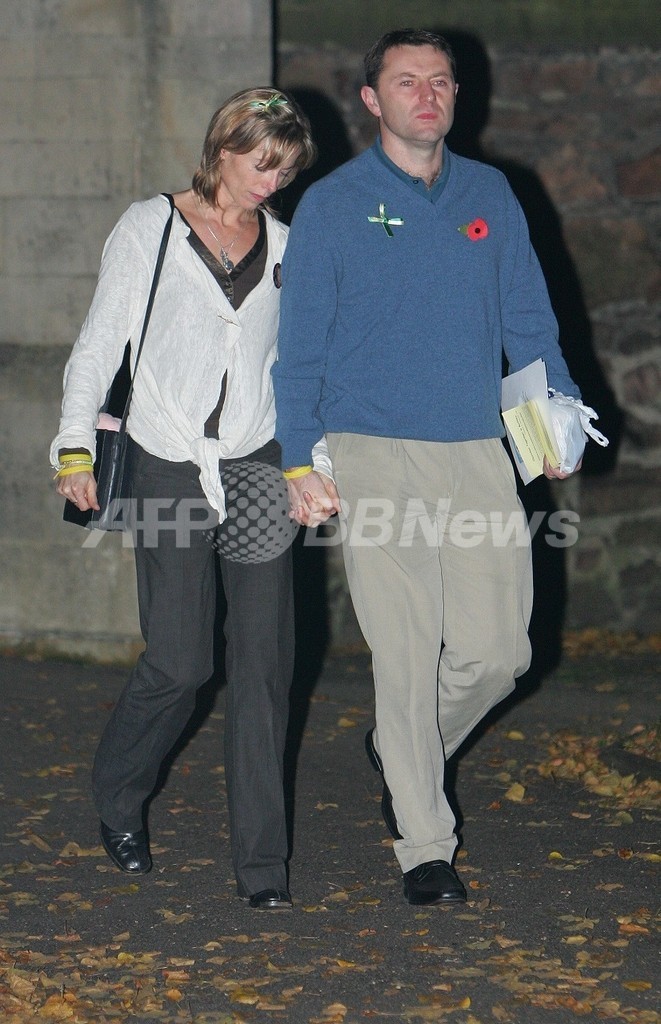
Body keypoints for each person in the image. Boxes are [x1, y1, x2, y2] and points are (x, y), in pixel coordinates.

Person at [272, 29, 583, 907]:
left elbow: (528, 318)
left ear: (456, 96)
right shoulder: (333, 204)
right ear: (372, 99)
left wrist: (555, 409)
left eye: (440, 81)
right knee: (405, 650)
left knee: (500, 653)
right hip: (372, 448)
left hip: (478, 446)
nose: (427, 94)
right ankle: (423, 846)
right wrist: (298, 458)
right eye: (406, 81)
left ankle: (400, 749)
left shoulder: (491, 194)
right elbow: (299, 348)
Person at [50, 88, 324, 911]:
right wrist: (72, 445)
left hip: (256, 464)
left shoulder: (287, 246)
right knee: (180, 662)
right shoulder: (152, 227)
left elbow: (300, 369)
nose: (271, 182)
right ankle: (118, 792)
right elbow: (100, 342)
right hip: (166, 460)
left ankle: (263, 868)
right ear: (222, 148)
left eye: (285, 170)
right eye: (261, 163)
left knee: (265, 662)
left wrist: (311, 465)